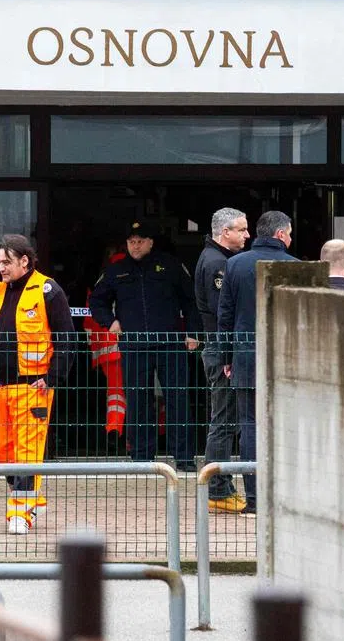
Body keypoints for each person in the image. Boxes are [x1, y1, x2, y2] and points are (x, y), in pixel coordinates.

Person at [0, 234, 73, 534]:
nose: (0, 267)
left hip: (32, 387)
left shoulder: (47, 289)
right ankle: (30, 497)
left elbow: (66, 339)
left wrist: (52, 378)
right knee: (2, 449)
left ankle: (21, 513)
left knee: (27, 451)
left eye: (6, 262)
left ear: (25, 261)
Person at [89, 221, 202, 471]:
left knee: (177, 399)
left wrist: (193, 333)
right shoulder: (116, 270)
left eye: (140, 240)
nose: (135, 245)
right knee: (138, 400)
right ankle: (141, 457)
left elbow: (191, 300)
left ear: (151, 242)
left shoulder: (170, 265)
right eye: (131, 241)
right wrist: (111, 322)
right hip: (134, 345)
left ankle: (183, 458)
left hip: (170, 343)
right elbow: (97, 302)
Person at [218, 210, 298, 515]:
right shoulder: (295, 267)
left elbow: (225, 318)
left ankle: (254, 498)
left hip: (246, 358)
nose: (290, 239)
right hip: (285, 361)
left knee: (249, 426)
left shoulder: (234, 265)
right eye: (289, 233)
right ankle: (284, 497)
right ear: (280, 235)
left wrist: (227, 358)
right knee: (285, 427)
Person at [195, 208, 250, 512]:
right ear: (224, 232)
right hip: (221, 349)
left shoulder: (215, 258)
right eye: (241, 230)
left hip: (218, 347)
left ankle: (220, 486)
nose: (246, 235)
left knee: (225, 419)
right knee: (224, 420)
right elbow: (223, 312)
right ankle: (218, 489)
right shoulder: (218, 263)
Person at [83, 247, 129, 452]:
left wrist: (95, 350)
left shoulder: (103, 281)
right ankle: (129, 435)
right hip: (132, 347)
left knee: (115, 394)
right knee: (140, 392)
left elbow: (88, 322)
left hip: (107, 353)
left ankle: (115, 430)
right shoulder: (132, 278)